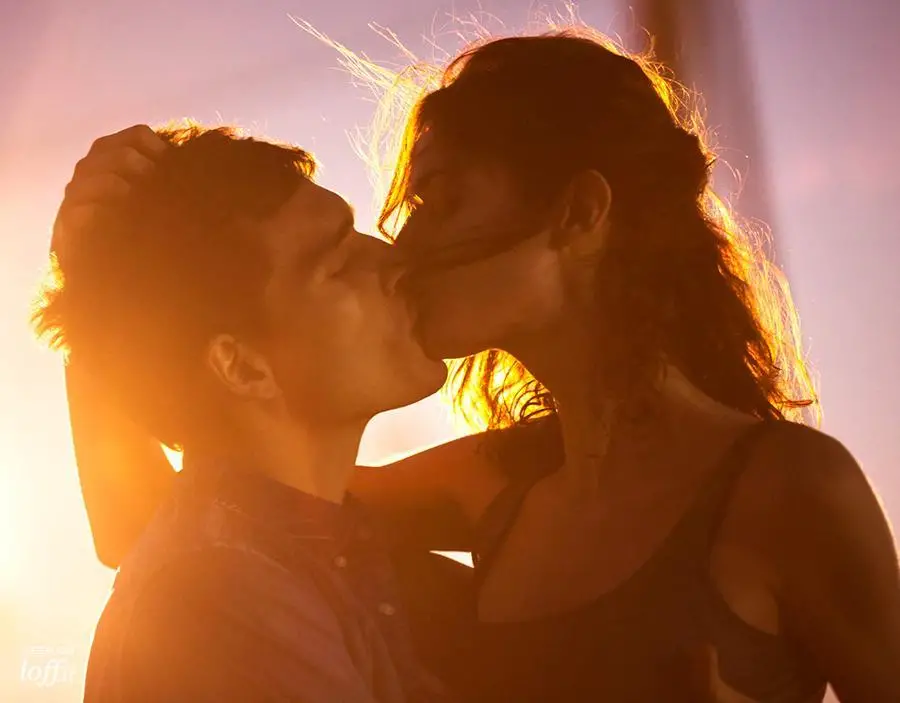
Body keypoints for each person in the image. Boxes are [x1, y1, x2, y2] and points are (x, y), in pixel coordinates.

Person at [54, 28, 899, 703]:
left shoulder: (790, 489)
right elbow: (207, 522)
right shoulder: (499, 481)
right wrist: (100, 285)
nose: (403, 247)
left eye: (442, 201)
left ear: (578, 213)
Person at [34, 123, 453, 702]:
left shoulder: (302, 548)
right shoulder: (224, 598)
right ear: (243, 367)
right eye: (338, 263)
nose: (393, 260)